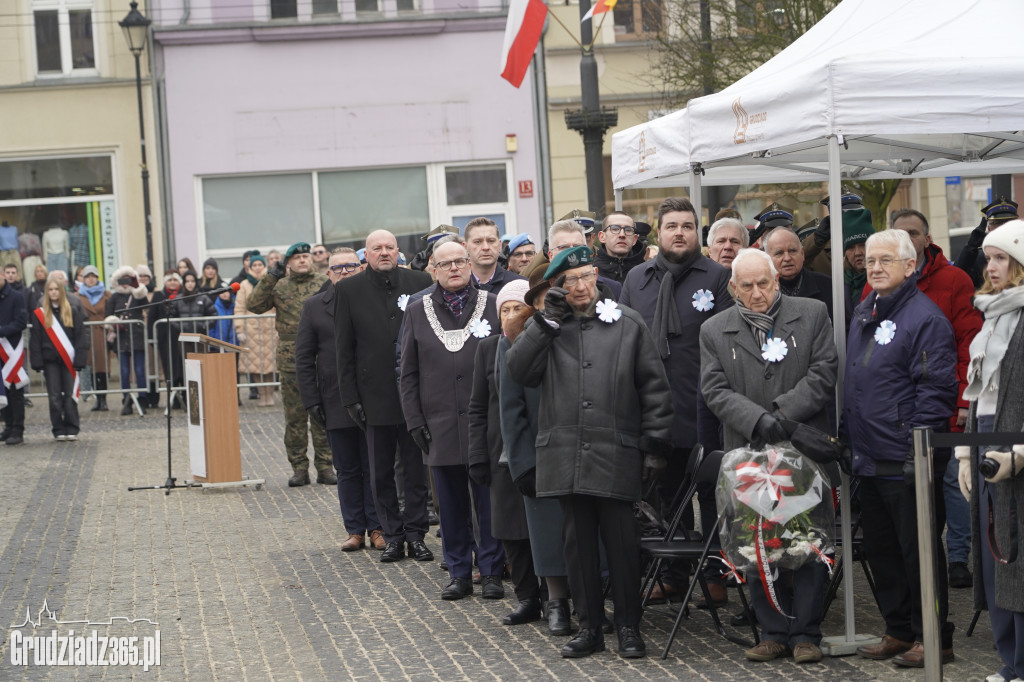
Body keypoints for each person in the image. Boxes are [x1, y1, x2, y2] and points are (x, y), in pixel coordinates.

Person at [507, 245, 673, 659]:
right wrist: (545, 322)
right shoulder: (548, 326)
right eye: (569, 281)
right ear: (557, 286)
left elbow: (654, 388)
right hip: (565, 455)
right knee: (577, 548)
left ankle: (630, 628)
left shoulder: (627, 322)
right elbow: (519, 371)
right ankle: (590, 628)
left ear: (596, 274)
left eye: (585, 277)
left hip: (615, 451)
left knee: (621, 546)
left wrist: (653, 446)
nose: (579, 287)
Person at [700, 248, 838, 664]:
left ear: (777, 280)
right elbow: (714, 389)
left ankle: (806, 634)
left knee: (807, 542)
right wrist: (758, 420)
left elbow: (824, 370)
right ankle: (773, 631)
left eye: (765, 283)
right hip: (750, 451)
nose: (758, 293)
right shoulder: (714, 329)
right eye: (748, 286)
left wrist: (783, 413)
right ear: (733, 288)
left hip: (802, 449)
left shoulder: (812, 313)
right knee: (758, 540)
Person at [844, 229, 958, 667]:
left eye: (885, 260)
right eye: (870, 260)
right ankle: (898, 629)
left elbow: (935, 391)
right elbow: (857, 378)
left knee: (920, 554)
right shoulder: (864, 310)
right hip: (869, 455)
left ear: (910, 266)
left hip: (906, 457)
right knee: (882, 551)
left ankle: (935, 637)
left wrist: (919, 453)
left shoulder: (925, 318)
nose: (874, 267)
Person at [619, 196, 732, 603]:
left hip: (704, 406)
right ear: (660, 231)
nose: (680, 232)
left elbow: (727, 341)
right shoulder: (637, 279)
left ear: (696, 232)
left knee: (713, 495)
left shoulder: (718, 277)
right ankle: (675, 575)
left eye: (687, 225)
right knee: (668, 496)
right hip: (655, 409)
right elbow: (624, 341)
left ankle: (717, 574)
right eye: (672, 226)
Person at [865, 209, 983, 589]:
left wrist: (965, 398)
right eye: (898, 233)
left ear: (924, 240)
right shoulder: (871, 295)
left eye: (913, 233)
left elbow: (969, 341)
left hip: (936, 413)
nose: (906, 238)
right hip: (884, 432)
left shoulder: (953, 280)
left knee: (950, 486)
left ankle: (959, 557)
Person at [400, 240, 503, 600]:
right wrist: (414, 420)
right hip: (438, 424)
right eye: (446, 264)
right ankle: (458, 571)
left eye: (461, 261)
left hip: (485, 424)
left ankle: (491, 571)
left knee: (489, 503)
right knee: (451, 505)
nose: (455, 268)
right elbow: (407, 372)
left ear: (470, 263)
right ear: (434, 269)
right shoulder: (416, 310)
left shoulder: (493, 306)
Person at [334, 230, 434, 563]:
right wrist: (350, 399)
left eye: (390, 247)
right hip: (373, 396)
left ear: (398, 251)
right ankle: (392, 536)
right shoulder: (349, 290)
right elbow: (343, 349)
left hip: (415, 394)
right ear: (366, 254)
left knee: (416, 470)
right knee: (380, 474)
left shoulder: (418, 280)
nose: (384, 252)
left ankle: (417, 535)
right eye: (377, 248)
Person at [955, 218, 1024, 682]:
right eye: (989, 257)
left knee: (1017, 557)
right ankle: (1009, 660)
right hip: (983, 438)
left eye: (1001, 258)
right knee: (991, 555)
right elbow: (976, 389)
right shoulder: (991, 314)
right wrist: (964, 451)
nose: (990, 265)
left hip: (1014, 446)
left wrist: (1019, 453)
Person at [498, 267, 573, 635]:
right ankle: (556, 602)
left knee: (585, 531)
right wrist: (522, 463)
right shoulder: (514, 337)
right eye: (544, 298)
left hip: (579, 449)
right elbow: (510, 409)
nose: (553, 304)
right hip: (538, 453)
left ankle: (591, 601)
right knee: (546, 532)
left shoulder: (583, 331)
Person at [297, 248, 383, 552]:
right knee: (346, 469)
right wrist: (311, 402)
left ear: (360, 269)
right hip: (334, 400)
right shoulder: (314, 308)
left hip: (373, 397)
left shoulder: (373, 301)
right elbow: (304, 359)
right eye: (337, 269)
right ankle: (355, 529)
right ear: (328, 274)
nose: (344, 272)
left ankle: (378, 527)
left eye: (350, 267)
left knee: (375, 466)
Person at [470, 279, 542, 623]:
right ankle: (527, 597)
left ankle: (556, 594)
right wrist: (477, 455)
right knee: (511, 530)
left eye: (518, 308)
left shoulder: (544, 345)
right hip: (502, 453)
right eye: (505, 309)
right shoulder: (488, 349)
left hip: (541, 451)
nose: (511, 315)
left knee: (543, 528)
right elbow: (477, 407)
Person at [247, 243, 333, 487]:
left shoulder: (323, 282)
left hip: (322, 356)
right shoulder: (279, 285)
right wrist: (270, 277)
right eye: (297, 257)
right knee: (295, 417)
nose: (303, 260)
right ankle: (299, 467)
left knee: (322, 414)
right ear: (288, 262)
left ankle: (326, 466)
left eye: (306, 256)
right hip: (291, 358)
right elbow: (254, 305)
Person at [31, 274, 88, 441]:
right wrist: (37, 361)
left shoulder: (73, 311)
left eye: (56, 289)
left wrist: (80, 360)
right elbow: (36, 339)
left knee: (70, 395)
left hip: (69, 360)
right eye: (50, 290)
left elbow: (80, 337)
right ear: (46, 292)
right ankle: (58, 428)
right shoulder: (40, 314)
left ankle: (72, 427)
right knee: (54, 396)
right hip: (50, 361)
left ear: (61, 291)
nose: (53, 292)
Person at [762, 227, 834, 321]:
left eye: (792, 251)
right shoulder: (760, 292)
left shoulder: (828, 286)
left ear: (802, 254)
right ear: (767, 258)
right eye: (779, 253)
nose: (787, 258)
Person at [234, 255, 278, 407]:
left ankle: (270, 394)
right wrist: (239, 328)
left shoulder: (271, 282)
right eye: (255, 265)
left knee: (271, 365)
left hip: (270, 328)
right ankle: (261, 394)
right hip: (251, 329)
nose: (258, 267)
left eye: (260, 264)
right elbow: (239, 307)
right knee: (255, 365)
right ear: (250, 268)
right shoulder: (244, 285)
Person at [105, 266, 149, 416]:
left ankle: (143, 399)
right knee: (124, 371)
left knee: (139, 370)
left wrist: (137, 286)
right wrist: (114, 323)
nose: (125, 283)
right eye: (122, 280)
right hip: (122, 337)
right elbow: (108, 315)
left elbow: (145, 304)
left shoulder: (136, 295)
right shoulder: (114, 297)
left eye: (127, 280)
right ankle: (126, 400)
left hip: (136, 335)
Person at [955, 197, 1019, 288]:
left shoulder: (1021, 253)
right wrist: (970, 248)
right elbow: (956, 278)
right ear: (989, 229)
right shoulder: (978, 257)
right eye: (999, 225)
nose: (1005, 230)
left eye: (1009, 224)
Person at [76, 266, 112, 412]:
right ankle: (97, 399)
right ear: (83, 279)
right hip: (86, 334)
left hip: (101, 334)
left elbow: (111, 312)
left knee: (102, 368)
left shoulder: (106, 294)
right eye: (88, 276)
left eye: (93, 276)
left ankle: (103, 399)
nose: (91, 279)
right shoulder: (79, 296)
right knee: (91, 368)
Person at [148, 272, 185, 410]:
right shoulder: (159, 296)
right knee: (170, 368)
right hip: (165, 339)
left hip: (181, 336)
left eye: (175, 280)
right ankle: (174, 398)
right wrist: (152, 337)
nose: (173, 282)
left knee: (183, 367)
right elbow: (152, 317)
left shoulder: (184, 293)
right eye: (170, 280)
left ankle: (186, 396)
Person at [0, 268, 28, 445]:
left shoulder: (16, 296)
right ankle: (8, 426)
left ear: (3, 276)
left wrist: (1, 331)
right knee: (2, 389)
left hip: (12, 350)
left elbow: (21, 321)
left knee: (15, 390)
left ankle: (18, 428)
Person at [465, 217, 523, 294]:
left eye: (491, 241)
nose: (485, 247)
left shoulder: (519, 286)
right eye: (478, 242)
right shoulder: (455, 287)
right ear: (465, 247)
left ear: (499, 245)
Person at [594, 211, 646, 283]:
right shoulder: (591, 273)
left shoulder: (646, 273)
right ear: (602, 237)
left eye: (628, 230)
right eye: (615, 229)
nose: (622, 234)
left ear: (634, 239)